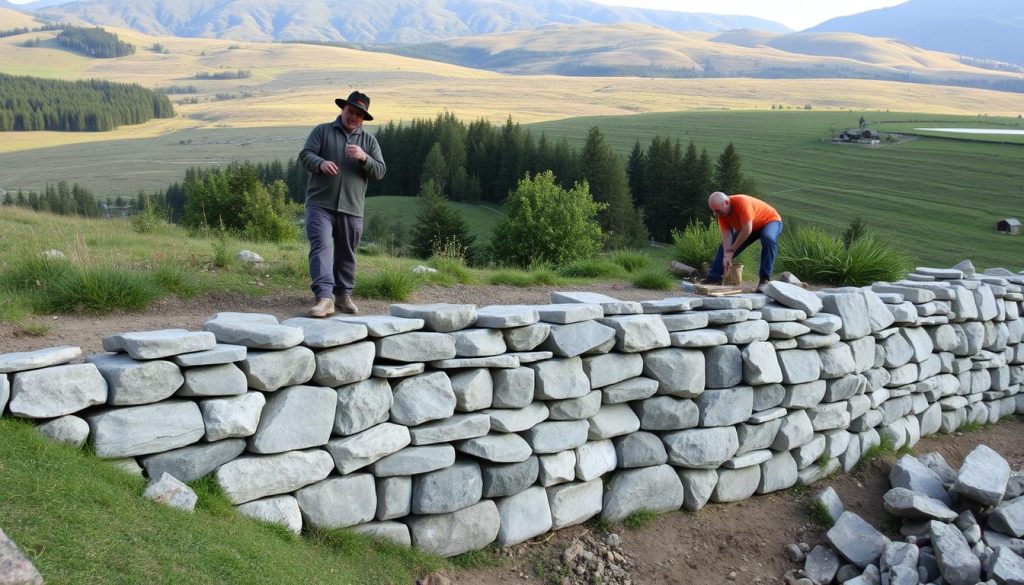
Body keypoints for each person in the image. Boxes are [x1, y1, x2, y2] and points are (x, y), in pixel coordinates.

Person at [299, 91, 386, 317]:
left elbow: (380, 172)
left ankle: (343, 296)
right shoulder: (322, 131)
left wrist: (364, 158)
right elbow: (305, 155)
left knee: (347, 253)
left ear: (364, 118)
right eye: (351, 111)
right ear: (343, 109)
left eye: (359, 114)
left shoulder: (369, 142)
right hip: (320, 204)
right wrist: (320, 163)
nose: (354, 117)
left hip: (352, 208)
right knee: (322, 248)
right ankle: (324, 298)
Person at [704, 191, 783, 293]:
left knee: (768, 239)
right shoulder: (722, 214)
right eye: (714, 211)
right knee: (723, 249)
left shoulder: (742, 202)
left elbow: (746, 230)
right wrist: (727, 254)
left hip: (770, 221)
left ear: (726, 203)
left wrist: (732, 250)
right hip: (751, 227)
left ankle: (764, 279)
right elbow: (727, 236)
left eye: (718, 211)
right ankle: (714, 278)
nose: (716, 214)